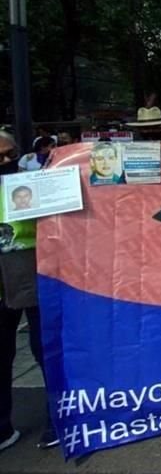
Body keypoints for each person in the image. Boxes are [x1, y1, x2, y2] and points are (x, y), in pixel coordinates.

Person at [0, 130, 58, 451]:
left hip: (34, 273)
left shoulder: (35, 181)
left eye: (11, 154)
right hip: (3, 283)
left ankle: (57, 419)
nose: (6, 160)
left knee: (46, 349)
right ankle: (2, 427)